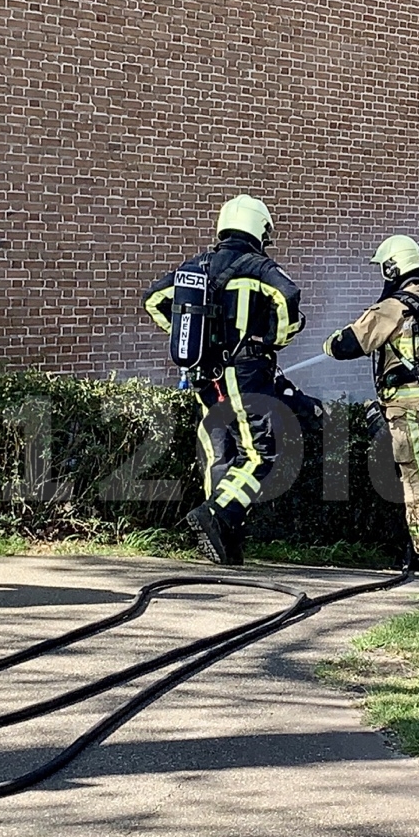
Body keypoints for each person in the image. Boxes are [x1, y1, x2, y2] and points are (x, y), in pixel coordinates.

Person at [142, 195, 304, 567]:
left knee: (222, 453)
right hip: (245, 374)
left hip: (205, 377)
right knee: (261, 453)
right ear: (259, 228)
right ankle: (218, 513)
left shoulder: (195, 267)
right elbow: (288, 295)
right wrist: (274, 338)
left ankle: (223, 542)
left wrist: (188, 339)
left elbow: (154, 300)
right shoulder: (259, 267)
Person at [322, 234, 419, 573]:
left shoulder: (394, 307)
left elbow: (350, 342)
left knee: (418, 475)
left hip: (407, 406)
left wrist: (329, 346)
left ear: (393, 267)